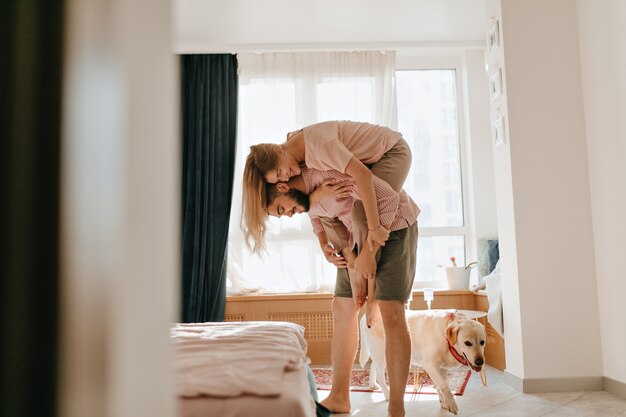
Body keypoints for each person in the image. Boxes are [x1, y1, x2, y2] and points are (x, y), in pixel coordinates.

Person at [265, 167, 419, 417]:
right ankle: (339, 396)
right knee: (343, 306)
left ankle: (396, 408)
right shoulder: (302, 190)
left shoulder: (319, 165)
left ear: (281, 186)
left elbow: (369, 205)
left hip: (392, 223)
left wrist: (371, 293)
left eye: (283, 210)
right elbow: (316, 214)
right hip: (353, 235)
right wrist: (327, 243)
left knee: (390, 311)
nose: (288, 215)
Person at [241, 121, 412, 286]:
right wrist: (323, 241)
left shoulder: (319, 147)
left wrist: (374, 231)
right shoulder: (294, 154)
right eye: (279, 179)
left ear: (278, 152)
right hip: (367, 163)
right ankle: (355, 267)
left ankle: (372, 290)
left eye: (280, 172)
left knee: (362, 214)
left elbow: (363, 176)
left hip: (390, 152)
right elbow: (309, 201)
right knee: (328, 212)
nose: (285, 178)